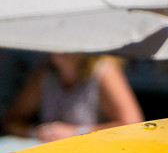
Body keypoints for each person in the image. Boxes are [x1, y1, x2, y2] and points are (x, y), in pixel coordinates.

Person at [2, 53, 143, 141]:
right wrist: (36, 133)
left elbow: (133, 126)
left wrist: (78, 132)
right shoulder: (45, 72)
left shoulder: (103, 71)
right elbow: (12, 120)